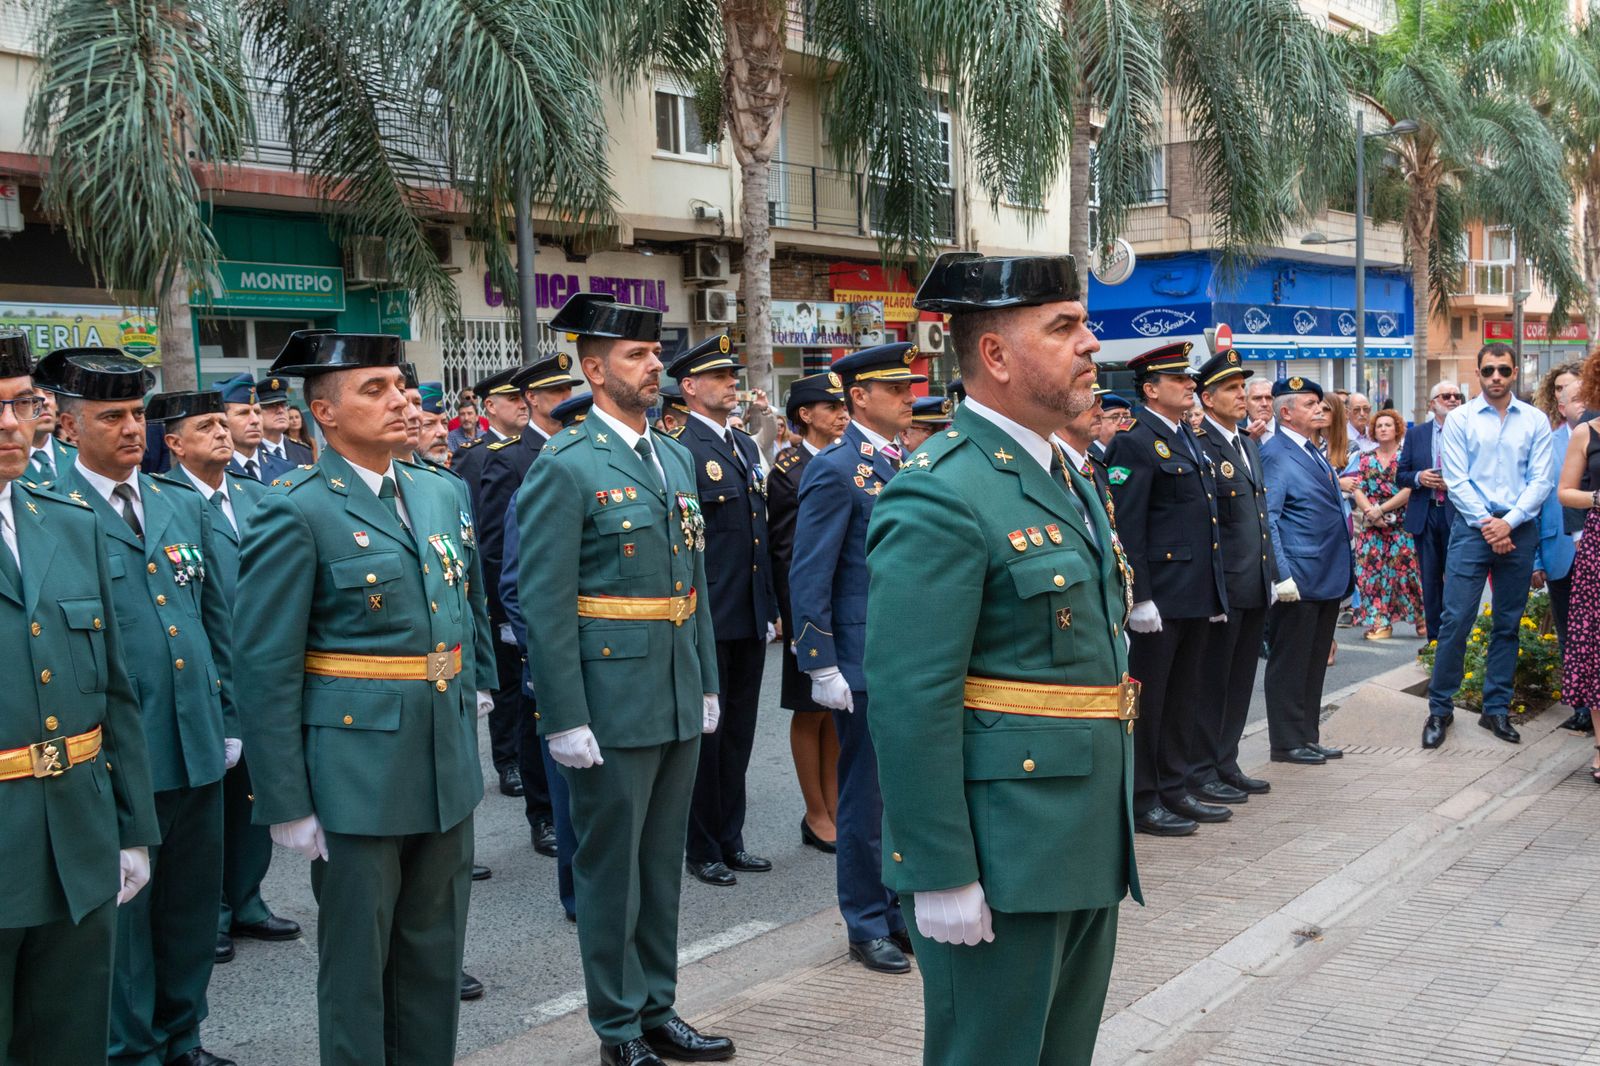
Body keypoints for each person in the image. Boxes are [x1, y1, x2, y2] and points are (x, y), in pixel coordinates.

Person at [867, 251, 1139, 1065]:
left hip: (1080, 831)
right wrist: (939, 869)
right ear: (995, 356)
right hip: (1002, 848)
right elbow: (912, 696)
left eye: (1084, 325)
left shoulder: (1061, 469)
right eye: (1063, 328)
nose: (1091, 344)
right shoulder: (941, 489)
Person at [233, 330, 493, 1066]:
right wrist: (285, 799)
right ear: (325, 412)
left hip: (444, 762)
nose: (399, 401)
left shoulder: (439, 490)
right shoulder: (297, 508)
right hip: (355, 772)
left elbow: (465, 607)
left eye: (399, 386)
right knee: (357, 967)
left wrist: (479, 694)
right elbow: (264, 663)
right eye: (372, 390)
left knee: (434, 955)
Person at [516, 294, 733, 1066]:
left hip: (673, 687)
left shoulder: (671, 456)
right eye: (639, 357)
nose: (655, 368)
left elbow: (693, 583)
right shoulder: (567, 465)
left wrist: (705, 678)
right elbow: (543, 602)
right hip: (608, 700)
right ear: (596, 367)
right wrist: (563, 716)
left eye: (656, 355)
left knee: (659, 863)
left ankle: (657, 1006)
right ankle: (615, 1027)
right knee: (611, 870)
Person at [42, 349, 238, 1066]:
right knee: (130, 915)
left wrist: (233, 722)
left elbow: (218, 622)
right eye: (111, 417)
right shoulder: (55, 512)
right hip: (123, 752)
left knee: (191, 907)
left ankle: (184, 1037)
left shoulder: (178, 503)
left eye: (135, 415)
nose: (132, 429)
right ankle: (134, 1051)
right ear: (67, 427)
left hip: (197, 739)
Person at [0, 334, 159, 1066]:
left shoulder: (65, 519)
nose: (11, 425)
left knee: (70, 1040)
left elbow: (113, 690)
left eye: (19, 405)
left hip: (78, 829)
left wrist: (131, 826)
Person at [148, 389, 303, 968]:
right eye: (205, 425)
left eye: (224, 422)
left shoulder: (257, 494)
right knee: (208, 807)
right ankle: (209, 911)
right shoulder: (164, 501)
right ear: (173, 443)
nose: (221, 432)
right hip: (205, 674)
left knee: (254, 796)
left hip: (261, 672)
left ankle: (247, 899)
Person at [789, 341, 922, 975]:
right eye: (896, 389)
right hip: (861, 658)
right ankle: (866, 921)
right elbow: (810, 570)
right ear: (859, 398)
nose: (909, 397)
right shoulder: (836, 467)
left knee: (900, 795)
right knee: (864, 800)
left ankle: (897, 910)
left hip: (904, 656)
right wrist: (820, 662)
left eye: (909, 387)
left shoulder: (902, 462)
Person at [668, 334, 778, 888]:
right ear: (689, 387)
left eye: (734, 376)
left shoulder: (737, 443)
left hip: (747, 615)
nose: (734, 383)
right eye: (721, 377)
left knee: (737, 735)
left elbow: (757, 534)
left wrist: (771, 606)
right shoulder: (682, 447)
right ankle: (702, 845)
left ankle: (730, 837)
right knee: (707, 738)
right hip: (708, 617)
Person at [1105, 340, 1228, 837]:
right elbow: (1127, 525)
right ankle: (1143, 798)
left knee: (1184, 696)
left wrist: (1213, 592)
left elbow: (1207, 522)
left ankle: (1175, 787)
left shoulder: (1184, 434)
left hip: (1193, 592)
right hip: (1161, 596)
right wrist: (1140, 598)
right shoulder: (1133, 439)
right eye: (1179, 380)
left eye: (1189, 378)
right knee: (1151, 703)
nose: (1190, 385)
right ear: (1151, 389)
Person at [1423, 345, 1554, 749]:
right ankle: (1439, 709)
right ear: (1477, 374)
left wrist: (1508, 523)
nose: (1495, 376)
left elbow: (1541, 480)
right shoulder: (1460, 419)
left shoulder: (1535, 420)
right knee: (1455, 620)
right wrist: (1489, 525)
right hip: (1471, 528)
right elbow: (1456, 479)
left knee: (1507, 624)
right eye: (1488, 370)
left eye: (1502, 370)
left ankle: (1495, 709)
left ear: (1514, 372)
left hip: (1519, 529)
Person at [478, 354, 582, 853]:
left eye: (569, 390)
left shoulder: (578, 449)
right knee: (532, 711)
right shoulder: (511, 457)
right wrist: (509, 619)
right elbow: (498, 547)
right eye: (555, 393)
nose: (565, 400)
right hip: (526, 611)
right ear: (531, 401)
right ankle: (542, 814)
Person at [768, 373, 847, 854]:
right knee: (808, 711)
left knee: (835, 711)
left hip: (843, 603)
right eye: (829, 405)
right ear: (805, 415)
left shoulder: (843, 460)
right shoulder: (788, 469)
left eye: (842, 404)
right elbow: (785, 553)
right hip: (808, 611)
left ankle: (835, 804)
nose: (840, 412)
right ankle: (815, 812)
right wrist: (794, 620)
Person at [1192, 351, 1275, 802]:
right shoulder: (1201, 443)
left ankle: (1226, 761)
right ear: (1207, 398)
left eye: (1243, 388)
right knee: (1213, 684)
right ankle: (1202, 769)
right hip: (1224, 587)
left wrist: (1272, 577)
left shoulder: (1247, 442)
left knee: (1242, 681)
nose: (1242, 396)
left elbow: (1258, 517)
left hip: (1254, 584)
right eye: (1231, 389)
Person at [1260, 376, 1353, 765]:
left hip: (1325, 575)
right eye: (1310, 404)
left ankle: (1307, 735)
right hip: (1298, 577)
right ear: (1286, 412)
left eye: (1320, 403)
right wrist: (1282, 576)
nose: (1320, 409)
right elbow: (1271, 520)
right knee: (1290, 663)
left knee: (1314, 662)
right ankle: (1285, 741)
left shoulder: (1313, 449)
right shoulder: (1277, 454)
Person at [452, 365, 529, 797]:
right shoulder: (474, 455)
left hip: (525, 581)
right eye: (511, 400)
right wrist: (495, 604)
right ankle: (507, 760)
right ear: (489, 407)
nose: (520, 404)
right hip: (497, 586)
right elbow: (481, 532)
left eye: (523, 398)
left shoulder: (532, 448)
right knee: (507, 681)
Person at [1535, 363, 1592, 733]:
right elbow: (1539, 504)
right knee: (1569, 633)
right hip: (1560, 553)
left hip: (1595, 548)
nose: (1566, 396)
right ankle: (1581, 707)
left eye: (1574, 390)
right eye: (1559, 390)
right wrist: (1536, 560)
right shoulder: (1548, 442)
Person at [1555, 350, 1600, 776]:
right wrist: (1598, 499)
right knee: (1597, 647)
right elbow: (1565, 492)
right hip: (1599, 547)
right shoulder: (1585, 432)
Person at [1397, 381, 1464, 644]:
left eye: (1457, 396)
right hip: (1426, 514)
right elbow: (1400, 475)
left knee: (1458, 578)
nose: (1452, 399)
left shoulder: (1469, 431)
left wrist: (1456, 482)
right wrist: (1419, 477)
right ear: (1432, 403)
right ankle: (1434, 641)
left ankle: (1456, 639)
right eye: (1446, 396)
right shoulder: (1417, 435)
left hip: (1457, 513)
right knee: (1431, 580)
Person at [1350, 410, 1423, 640]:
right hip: (1372, 526)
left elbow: (1409, 489)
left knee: (1407, 573)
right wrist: (1371, 513)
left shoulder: (1405, 457)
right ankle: (1379, 622)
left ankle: (1421, 618)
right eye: (1379, 425)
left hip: (1400, 525)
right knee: (1370, 574)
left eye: (1388, 425)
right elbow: (1357, 488)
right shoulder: (1365, 457)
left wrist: (1382, 509)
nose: (1383, 428)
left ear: (1397, 429)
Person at [255, 375, 314, 467]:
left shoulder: (303, 451)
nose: (280, 411)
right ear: (258, 412)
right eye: (271, 406)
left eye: (283, 405)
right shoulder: (251, 452)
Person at [26, 381, 75, 480]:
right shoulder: (6, 462)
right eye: (32, 394)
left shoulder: (79, 458)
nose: (45, 401)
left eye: (49, 393)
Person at [1092, 392, 1132, 460]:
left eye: (1126, 417)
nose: (1123, 422)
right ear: (1097, 421)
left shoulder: (1133, 451)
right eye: (1115, 417)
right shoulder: (1086, 452)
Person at [1244, 378, 1276, 442]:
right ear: (1245, 403)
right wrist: (1247, 440)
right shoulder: (1234, 429)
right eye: (1257, 398)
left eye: (1269, 398)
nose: (1264, 404)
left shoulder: (1287, 428)